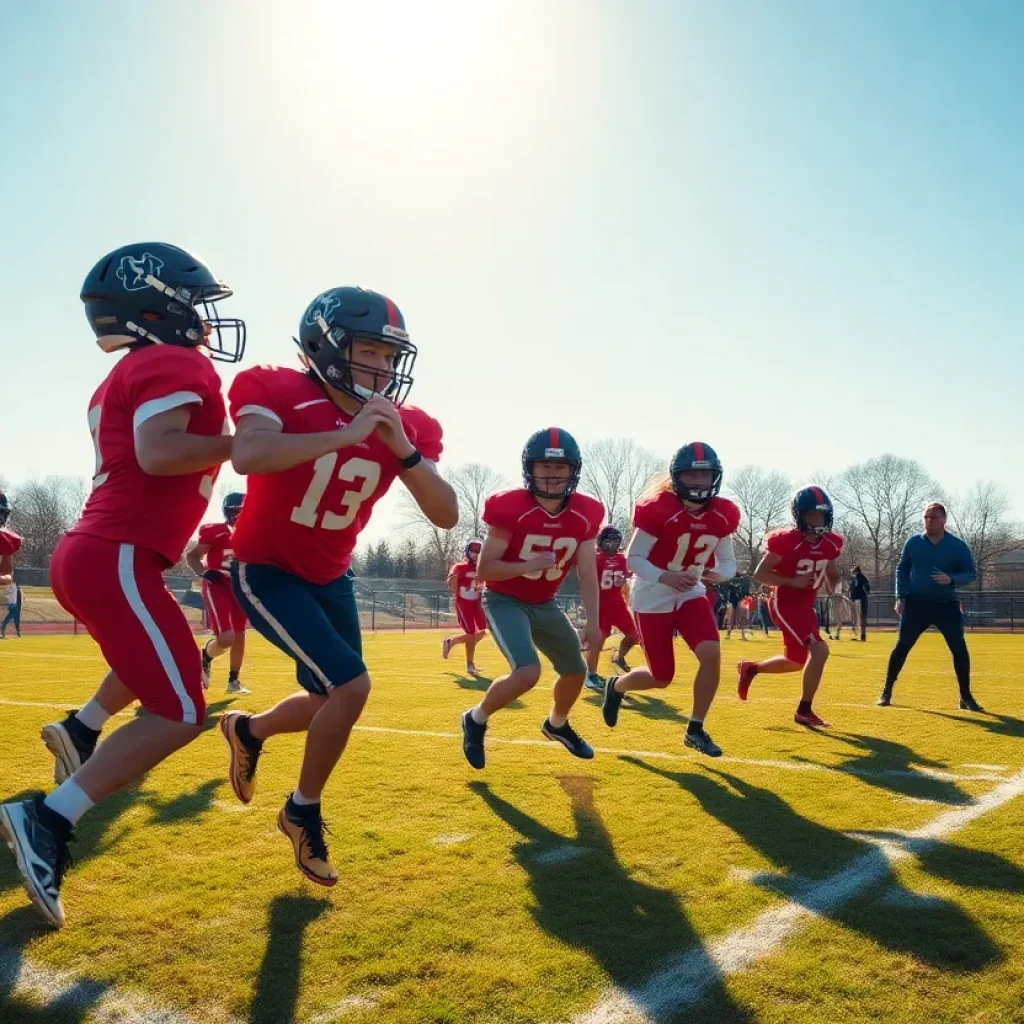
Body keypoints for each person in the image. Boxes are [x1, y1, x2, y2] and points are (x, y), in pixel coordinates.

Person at [0, 242, 245, 928]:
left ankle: (82, 728)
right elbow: (158, 451)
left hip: (102, 555)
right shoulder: (175, 361)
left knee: (155, 666)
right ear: (156, 306)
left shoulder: (130, 370)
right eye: (192, 302)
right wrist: (241, 445)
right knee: (184, 712)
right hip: (114, 555)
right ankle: (48, 818)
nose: (201, 318)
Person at [219, 286, 456, 887]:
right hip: (266, 567)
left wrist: (400, 448)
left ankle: (247, 729)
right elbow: (249, 453)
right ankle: (301, 811)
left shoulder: (410, 425)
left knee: (331, 701)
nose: (383, 369)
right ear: (327, 344)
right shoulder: (274, 387)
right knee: (352, 687)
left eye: (390, 357)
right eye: (370, 351)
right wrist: (345, 436)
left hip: (331, 573)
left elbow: (447, 514)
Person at [461, 428, 603, 770]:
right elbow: (486, 570)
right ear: (530, 468)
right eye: (544, 467)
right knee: (527, 673)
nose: (552, 475)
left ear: (573, 470)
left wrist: (594, 624)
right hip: (505, 599)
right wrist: (529, 564)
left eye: (560, 467)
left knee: (574, 671)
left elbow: (587, 572)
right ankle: (476, 718)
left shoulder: (587, 512)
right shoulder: (510, 507)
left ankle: (556, 725)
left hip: (545, 602)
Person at [601, 443, 738, 757]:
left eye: (704, 475)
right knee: (661, 677)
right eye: (691, 474)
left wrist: (716, 576)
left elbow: (728, 563)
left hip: (690, 592)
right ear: (678, 477)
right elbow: (634, 559)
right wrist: (666, 576)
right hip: (652, 594)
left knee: (711, 652)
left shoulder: (722, 514)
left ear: (714, 477)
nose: (698, 482)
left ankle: (695, 728)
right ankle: (617, 686)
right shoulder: (660, 508)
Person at [737, 486, 843, 728]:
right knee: (819, 650)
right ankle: (804, 710)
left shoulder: (831, 543)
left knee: (795, 661)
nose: (817, 520)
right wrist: (790, 581)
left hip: (806, 606)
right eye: (811, 515)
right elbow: (761, 573)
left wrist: (834, 589)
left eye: (821, 514)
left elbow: (833, 572)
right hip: (784, 603)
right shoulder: (786, 541)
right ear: (800, 516)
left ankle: (751, 669)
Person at [878, 503, 982, 711]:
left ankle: (965, 696)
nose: (928, 521)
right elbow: (902, 568)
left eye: (932, 517)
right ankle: (886, 691)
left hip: (947, 606)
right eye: (925, 517)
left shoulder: (957, 546)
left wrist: (951, 579)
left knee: (959, 649)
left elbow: (971, 573)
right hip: (917, 605)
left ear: (943, 520)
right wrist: (901, 596)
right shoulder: (914, 543)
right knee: (902, 646)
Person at [186, 492, 250, 693]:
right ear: (227, 512)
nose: (239, 516)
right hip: (218, 585)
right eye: (235, 512)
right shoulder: (215, 531)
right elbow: (193, 556)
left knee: (239, 635)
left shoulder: (254, 534)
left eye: (242, 511)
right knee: (226, 638)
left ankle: (233, 682)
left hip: (240, 588)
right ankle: (206, 654)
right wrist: (203, 573)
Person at [584, 525, 640, 691]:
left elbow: (623, 580)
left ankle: (619, 658)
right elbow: (587, 581)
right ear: (601, 541)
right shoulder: (596, 558)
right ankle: (590, 675)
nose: (611, 544)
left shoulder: (622, 559)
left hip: (617, 604)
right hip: (601, 604)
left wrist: (627, 595)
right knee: (598, 639)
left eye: (615, 541)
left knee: (634, 637)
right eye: (608, 540)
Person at [443, 539, 488, 675]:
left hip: (477, 602)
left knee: (482, 631)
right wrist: (452, 580)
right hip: (463, 602)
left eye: (477, 552)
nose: (475, 554)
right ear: (467, 552)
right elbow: (451, 579)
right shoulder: (460, 566)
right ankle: (470, 664)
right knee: (470, 633)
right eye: (472, 551)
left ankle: (451, 642)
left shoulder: (482, 568)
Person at [0, 491, 22, 639]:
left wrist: (7, 552)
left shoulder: (5, 541)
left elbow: (6, 576)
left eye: (4, 513)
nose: (2, 517)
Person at [849, 565, 870, 641]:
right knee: (860, 618)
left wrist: (855, 597)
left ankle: (862, 636)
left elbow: (865, 588)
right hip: (860, 600)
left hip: (861, 600)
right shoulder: (858, 578)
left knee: (861, 617)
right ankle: (860, 636)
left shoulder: (859, 578)